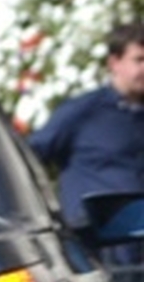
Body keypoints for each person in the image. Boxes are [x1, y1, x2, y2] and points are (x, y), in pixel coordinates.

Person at [28, 23, 144, 229]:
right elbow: (28, 160)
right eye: (139, 60)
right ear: (114, 63)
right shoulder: (82, 112)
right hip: (97, 247)